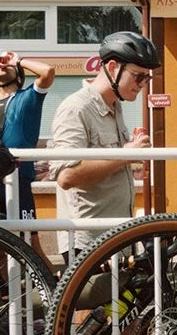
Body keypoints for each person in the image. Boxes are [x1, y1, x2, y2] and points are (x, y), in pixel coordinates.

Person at [50, 32, 160, 261]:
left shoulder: (115, 107)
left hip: (115, 235)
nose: (142, 85)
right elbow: (66, 176)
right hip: (89, 242)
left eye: (146, 79)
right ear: (112, 68)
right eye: (138, 76)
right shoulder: (76, 108)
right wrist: (126, 155)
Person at [0, 51, 56, 220]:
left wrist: (19, 60)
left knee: (28, 237)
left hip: (18, 178)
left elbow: (48, 71)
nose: (3, 63)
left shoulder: (28, 97)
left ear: (18, 76)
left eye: (9, 64)